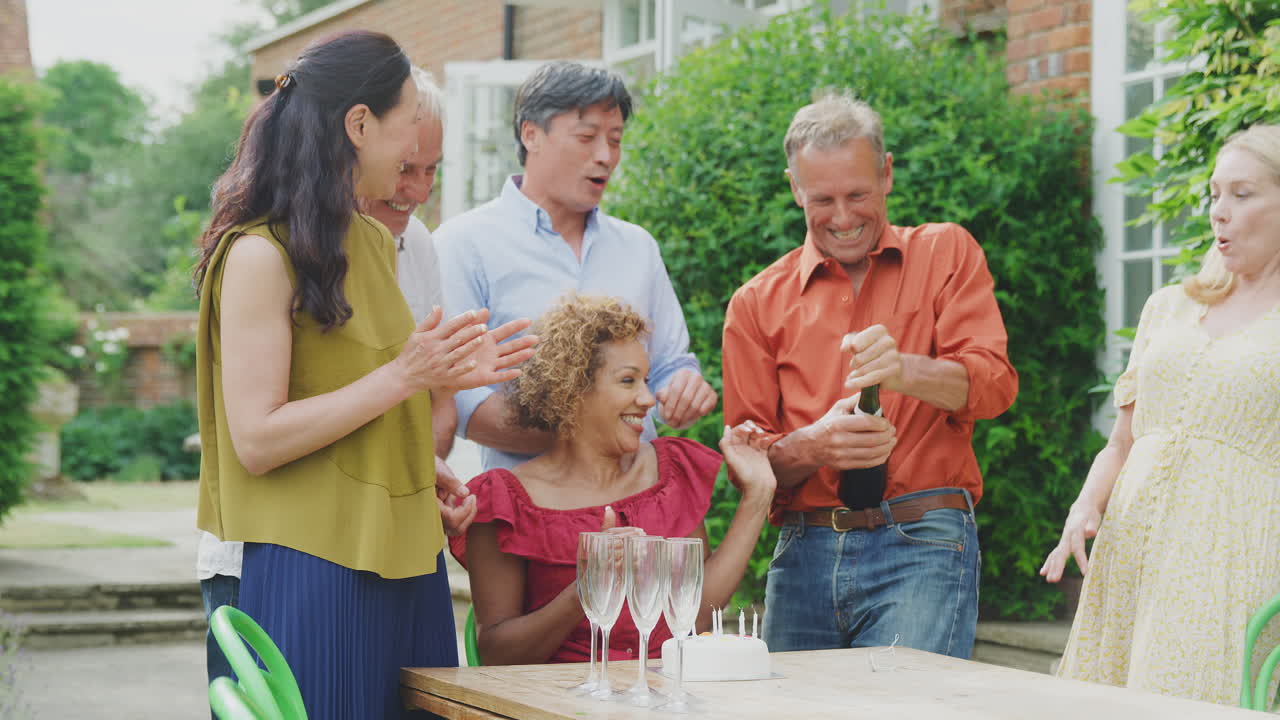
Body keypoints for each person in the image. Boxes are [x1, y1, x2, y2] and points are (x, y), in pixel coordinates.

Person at [192, 32, 536, 718]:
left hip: (409, 564)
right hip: (317, 569)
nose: (416, 149)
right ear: (359, 125)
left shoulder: (377, 245)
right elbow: (256, 439)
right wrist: (407, 376)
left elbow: (364, 400)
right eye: (409, 119)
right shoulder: (260, 254)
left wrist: (417, 465)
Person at [722, 91, 1018, 658]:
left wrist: (903, 369)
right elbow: (747, 469)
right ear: (793, 188)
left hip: (923, 543)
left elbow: (996, 384)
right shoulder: (755, 303)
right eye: (822, 199)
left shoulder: (946, 252)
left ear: (886, 174)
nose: (842, 217)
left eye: (857, 193)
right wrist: (814, 445)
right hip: (803, 550)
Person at [1041, 124, 1280, 706]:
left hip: (1233, 559)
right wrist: (1085, 506)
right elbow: (1121, 443)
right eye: (1215, 194)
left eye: (1242, 195)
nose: (1219, 213)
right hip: (1132, 553)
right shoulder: (1169, 308)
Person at [449, 295, 775, 665]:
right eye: (628, 381)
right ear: (573, 392)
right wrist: (584, 590)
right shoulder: (505, 500)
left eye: (646, 381)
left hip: (664, 695)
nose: (648, 398)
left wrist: (759, 494)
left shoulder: (671, 474)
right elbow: (496, 655)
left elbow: (696, 617)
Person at [436, 61, 717, 474]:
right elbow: (461, 400)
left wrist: (682, 390)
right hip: (524, 512)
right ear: (531, 134)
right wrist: (591, 437)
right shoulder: (463, 244)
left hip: (636, 505)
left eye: (616, 140)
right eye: (586, 137)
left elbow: (669, 366)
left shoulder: (638, 246)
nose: (605, 157)